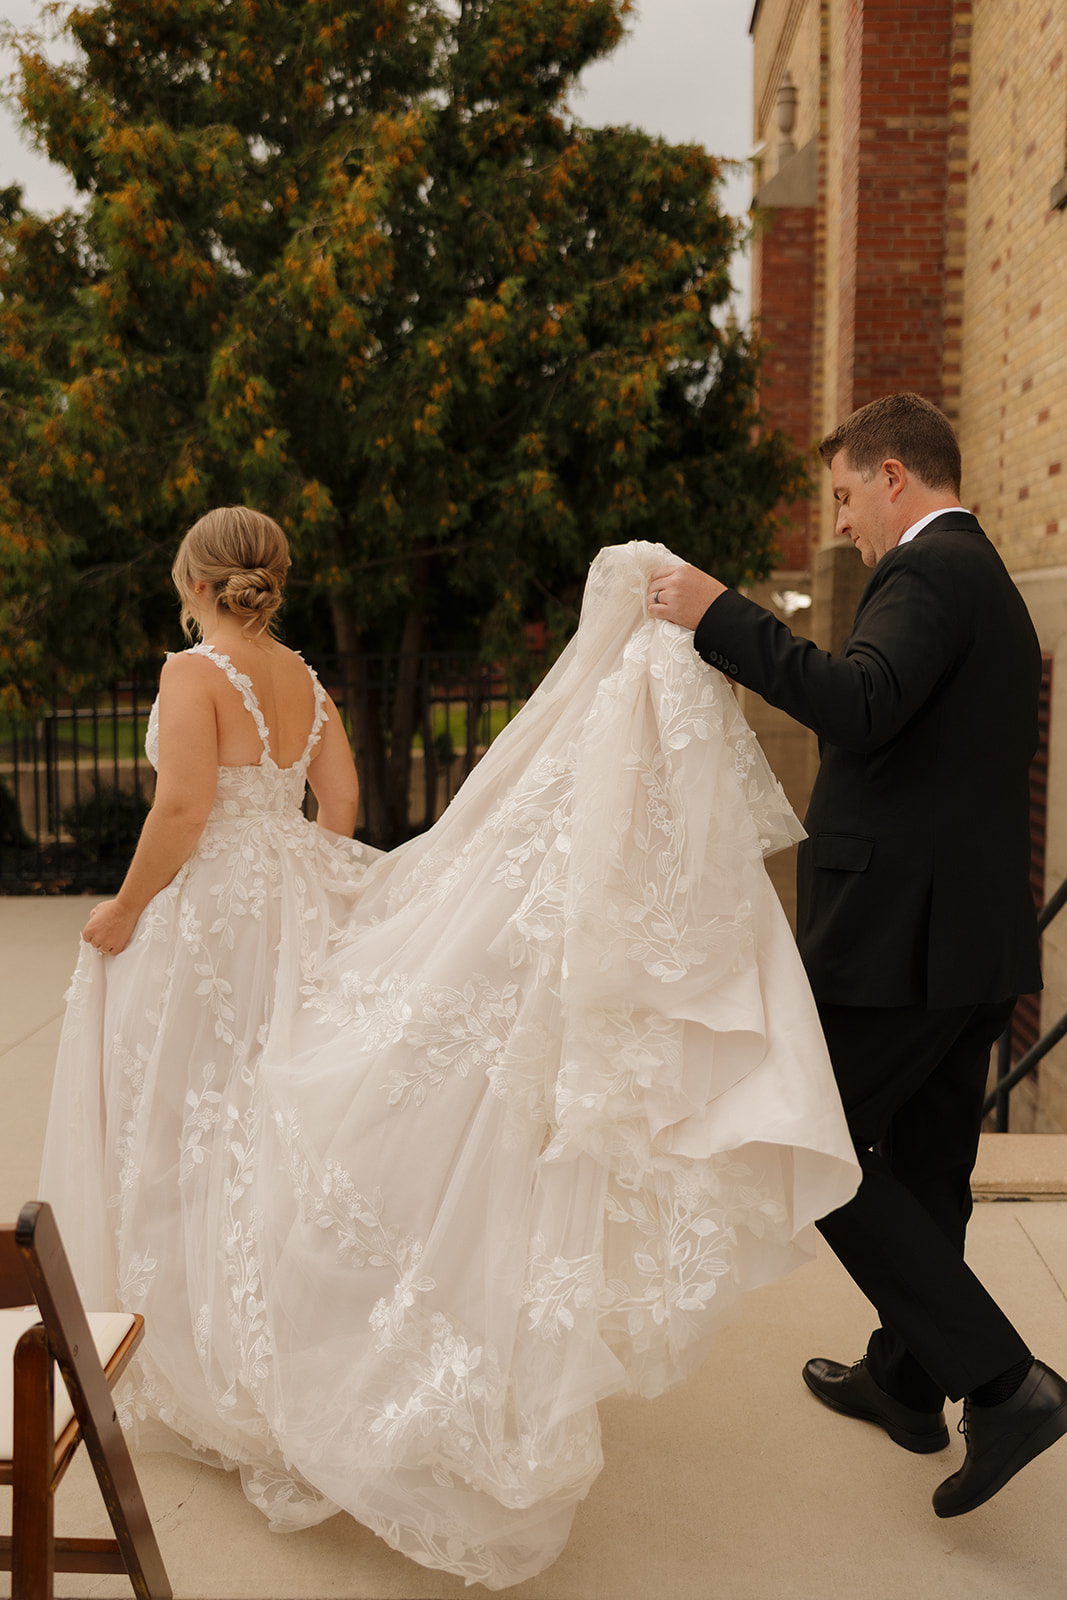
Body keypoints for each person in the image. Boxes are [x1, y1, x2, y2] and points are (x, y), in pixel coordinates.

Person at [41, 509, 860, 1588]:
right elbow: (336, 804)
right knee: (267, 1125)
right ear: (271, 580)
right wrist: (293, 876)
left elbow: (185, 803)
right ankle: (287, 1335)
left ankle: (216, 1357)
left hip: (209, 919)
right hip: (290, 897)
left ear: (188, 577)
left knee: (190, 1129)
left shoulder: (191, 672)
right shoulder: (302, 677)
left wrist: (126, 907)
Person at [647, 390, 1067, 1520]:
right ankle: (904, 1379)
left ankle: (1000, 1381)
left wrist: (717, 614)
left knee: (804, 1140)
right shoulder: (975, 580)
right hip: (965, 941)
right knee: (924, 1166)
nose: (838, 522)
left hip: (904, 944)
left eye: (840, 494)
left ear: (893, 476)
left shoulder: (929, 573)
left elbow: (860, 702)